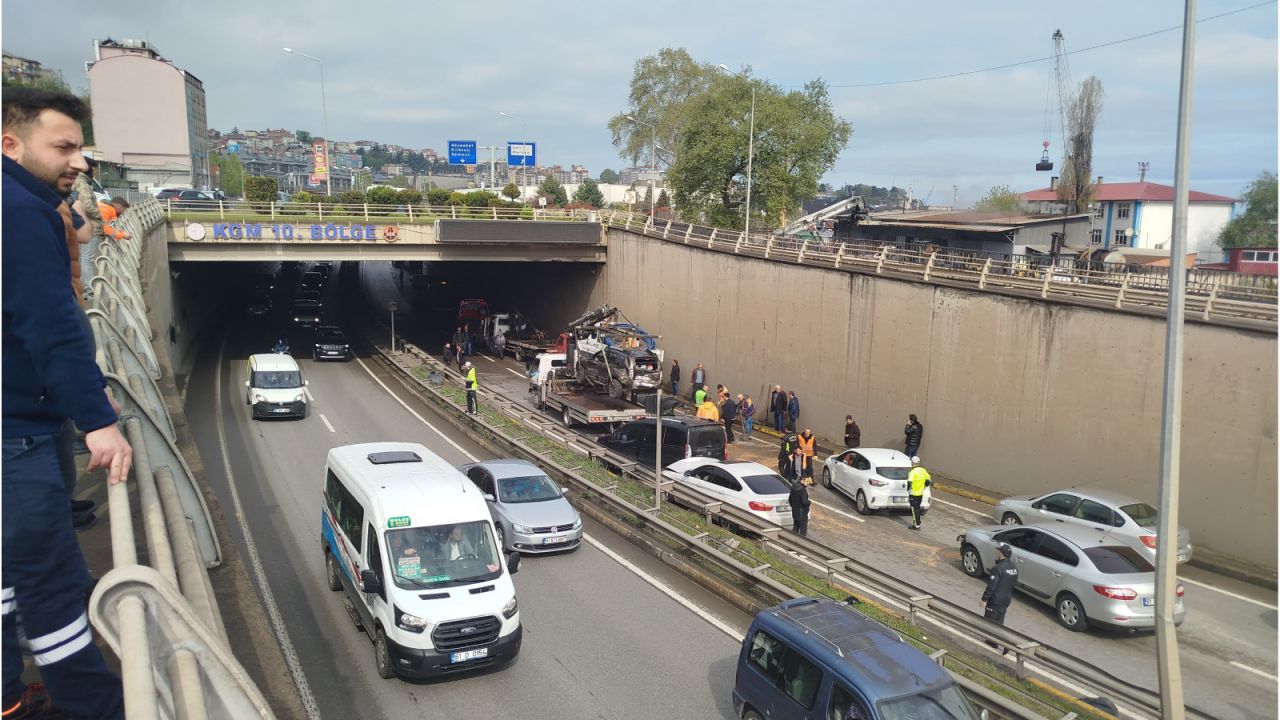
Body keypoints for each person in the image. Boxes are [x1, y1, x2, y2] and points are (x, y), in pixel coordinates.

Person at [3, 86, 131, 720]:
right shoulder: (21, 213)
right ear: (10, 143)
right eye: (64, 147)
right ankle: (93, 706)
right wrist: (99, 421)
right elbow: (52, 325)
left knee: (7, 583)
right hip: (17, 432)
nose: (78, 161)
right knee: (52, 587)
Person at [71, 157, 104, 293]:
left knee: (81, 257)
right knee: (87, 258)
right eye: (94, 169)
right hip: (89, 225)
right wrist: (99, 216)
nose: (95, 172)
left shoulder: (76, 180)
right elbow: (87, 205)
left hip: (80, 224)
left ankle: (83, 287)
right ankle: (89, 290)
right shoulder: (83, 183)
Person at [980, 543, 1019, 654]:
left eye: (999, 552)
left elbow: (992, 586)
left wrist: (984, 599)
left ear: (1002, 554)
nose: (997, 553)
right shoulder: (1013, 568)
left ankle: (1004, 643)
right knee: (999, 622)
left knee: (990, 622)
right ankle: (994, 641)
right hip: (1006, 600)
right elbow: (1014, 584)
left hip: (995, 601)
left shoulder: (998, 568)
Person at [907, 455, 931, 530]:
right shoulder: (923, 470)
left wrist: (908, 489)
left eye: (911, 462)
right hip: (920, 494)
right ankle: (918, 523)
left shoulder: (912, 472)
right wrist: (924, 486)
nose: (911, 463)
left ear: (913, 463)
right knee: (917, 509)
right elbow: (928, 480)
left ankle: (916, 525)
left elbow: (909, 482)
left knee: (914, 510)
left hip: (913, 494)